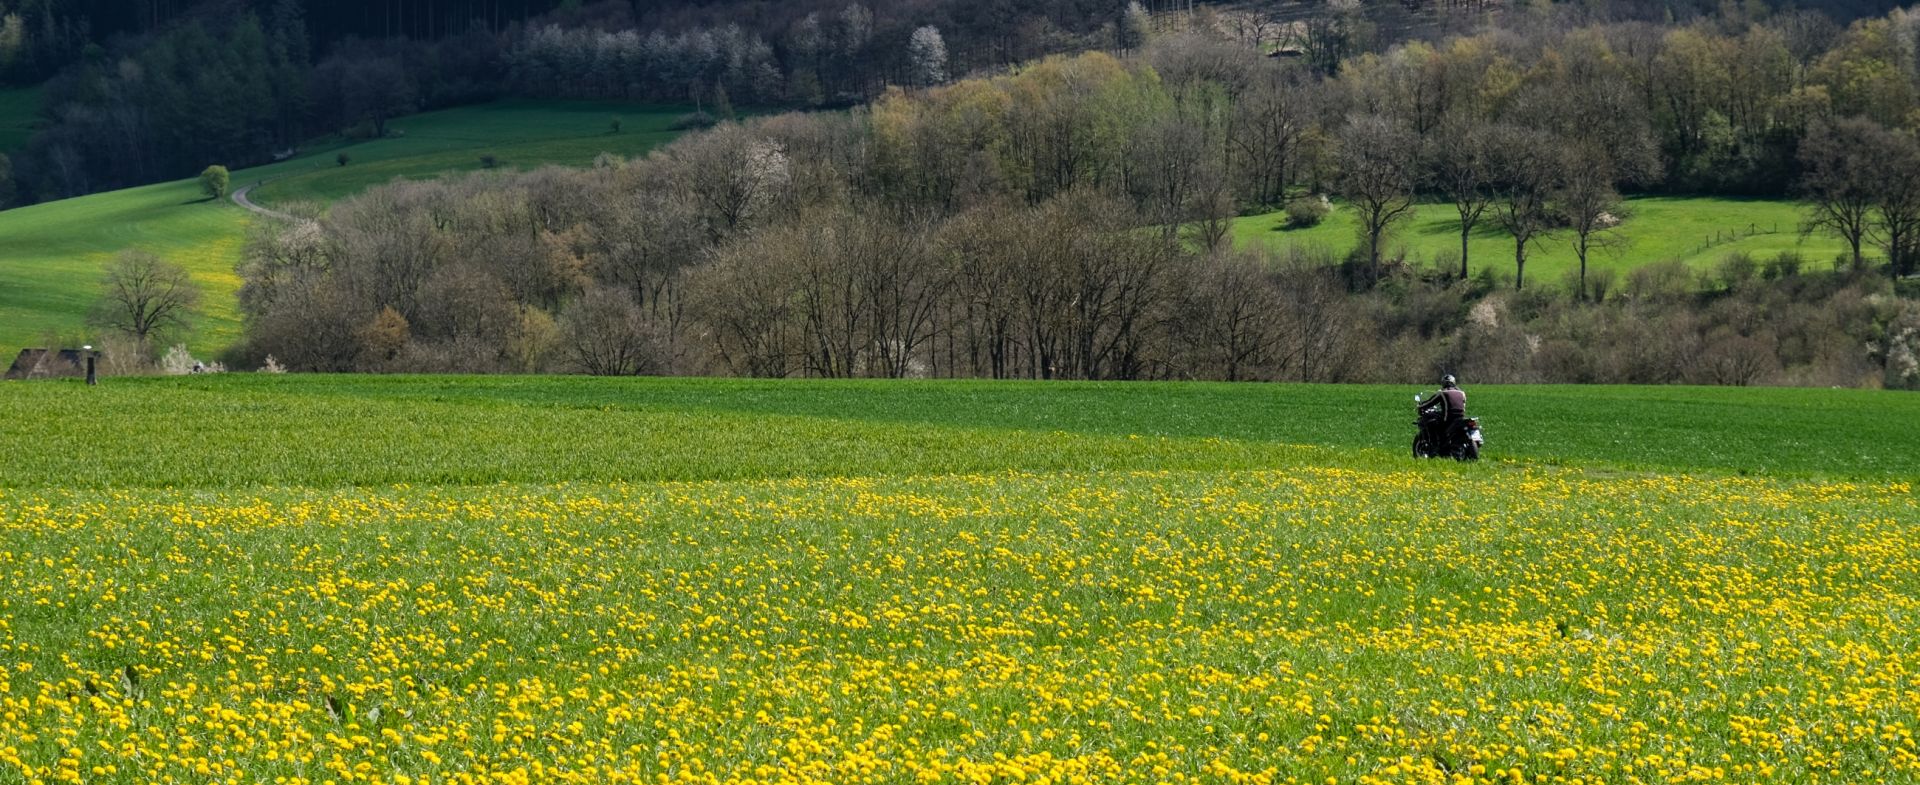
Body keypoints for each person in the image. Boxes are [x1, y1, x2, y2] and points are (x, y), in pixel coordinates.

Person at [1417, 374, 1467, 447]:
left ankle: (1435, 445)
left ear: (1443, 383)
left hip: (1448, 419)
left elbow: (1430, 402)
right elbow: (1463, 405)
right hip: (1461, 418)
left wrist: (1420, 406)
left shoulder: (1443, 393)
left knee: (1430, 423)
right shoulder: (1462, 393)